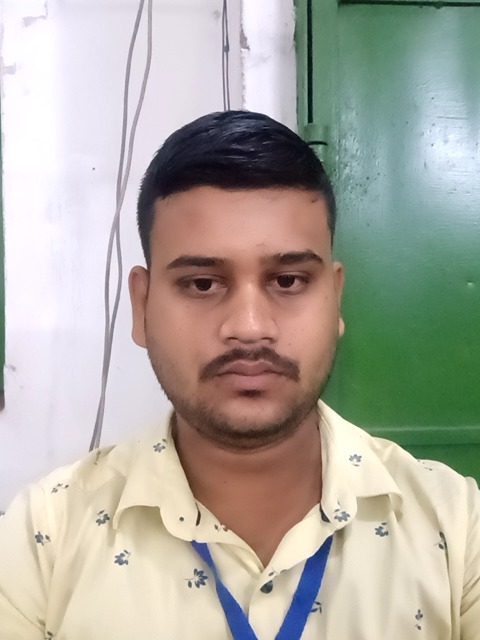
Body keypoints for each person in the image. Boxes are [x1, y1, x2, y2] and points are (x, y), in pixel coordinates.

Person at [0, 111, 478, 640]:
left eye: (288, 280)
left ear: (335, 297)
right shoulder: (43, 539)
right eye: (202, 284)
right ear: (141, 305)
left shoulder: (457, 530)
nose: (250, 328)